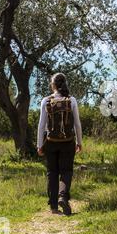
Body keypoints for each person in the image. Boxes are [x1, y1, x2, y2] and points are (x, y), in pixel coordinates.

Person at [37, 73, 82, 215]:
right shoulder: (71, 100)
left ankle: (54, 207)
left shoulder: (46, 101)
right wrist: (79, 141)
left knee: (52, 172)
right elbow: (77, 124)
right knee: (66, 171)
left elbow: (41, 125)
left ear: (53, 85)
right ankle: (63, 196)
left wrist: (39, 145)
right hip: (68, 142)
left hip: (51, 142)